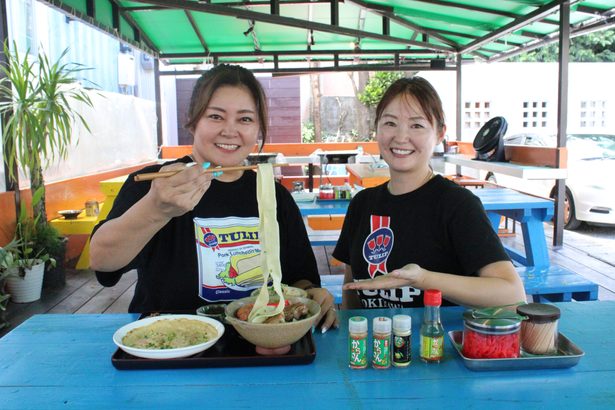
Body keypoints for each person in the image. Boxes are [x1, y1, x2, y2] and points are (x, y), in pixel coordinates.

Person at [90, 64, 338, 335]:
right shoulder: (159, 183)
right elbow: (102, 261)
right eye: (216, 116)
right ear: (193, 120)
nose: (230, 131)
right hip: (170, 345)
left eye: (245, 119)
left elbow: (301, 280)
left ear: (258, 128)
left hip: (261, 345)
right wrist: (156, 209)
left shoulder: (274, 196)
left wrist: (313, 294)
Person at [334, 76, 526, 309]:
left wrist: (425, 279)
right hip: (375, 344)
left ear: (439, 134)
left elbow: (512, 295)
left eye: (417, 125)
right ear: (376, 129)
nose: (401, 137)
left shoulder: (457, 205)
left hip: (435, 343)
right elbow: (352, 291)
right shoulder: (362, 204)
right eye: (390, 123)